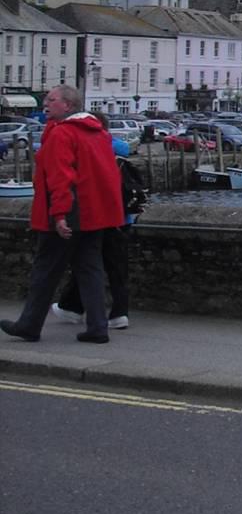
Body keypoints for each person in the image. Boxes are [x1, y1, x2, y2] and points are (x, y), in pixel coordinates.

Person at [0, 85, 124, 344]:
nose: (45, 103)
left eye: (51, 99)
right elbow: (107, 176)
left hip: (69, 212)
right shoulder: (98, 133)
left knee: (45, 271)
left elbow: (60, 177)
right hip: (94, 214)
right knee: (90, 269)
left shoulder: (62, 133)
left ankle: (29, 325)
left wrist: (59, 214)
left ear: (67, 105)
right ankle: (98, 326)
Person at [52, 117, 139, 329]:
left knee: (87, 264)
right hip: (123, 217)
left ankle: (73, 308)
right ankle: (118, 312)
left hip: (100, 216)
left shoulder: (93, 146)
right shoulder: (118, 148)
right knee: (116, 267)